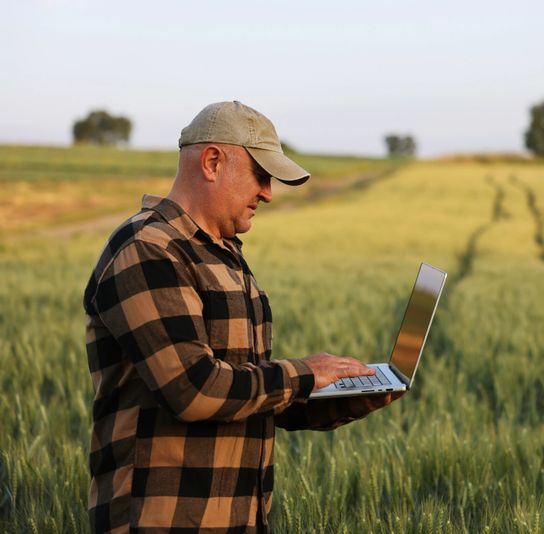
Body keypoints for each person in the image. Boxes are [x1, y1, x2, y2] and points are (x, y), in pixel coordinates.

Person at [83, 101, 401, 533]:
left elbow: (247, 398)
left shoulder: (224, 254)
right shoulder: (147, 250)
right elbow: (193, 388)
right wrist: (304, 373)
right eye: (261, 175)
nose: (268, 193)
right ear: (213, 162)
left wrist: (350, 396)